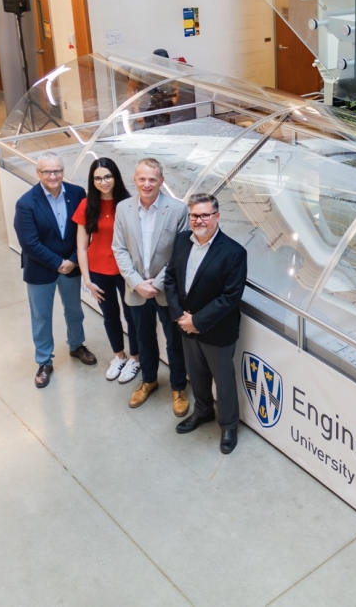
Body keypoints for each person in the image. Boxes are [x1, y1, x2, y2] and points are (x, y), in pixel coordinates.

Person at [165, 193, 247, 455]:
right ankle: (202, 412)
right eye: (194, 215)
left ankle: (229, 425)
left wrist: (197, 321)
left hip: (217, 330)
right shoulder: (181, 241)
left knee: (223, 381)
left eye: (205, 215)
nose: (199, 220)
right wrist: (181, 317)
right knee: (196, 375)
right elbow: (170, 279)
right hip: (185, 326)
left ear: (217, 216)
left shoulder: (234, 252)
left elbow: (230, 296)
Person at [111, 157, 190, 414]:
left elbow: (180, 254)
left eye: (152, 179)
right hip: (136, 291)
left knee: (174, 341)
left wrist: (155, 284)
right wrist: (136, 283)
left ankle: (178, 387)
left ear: (161, 181)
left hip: (166, 290)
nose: (147, 184)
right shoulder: (123, 208)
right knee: (143, 339)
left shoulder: (178, 210)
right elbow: (119, 249)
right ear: (134, 180)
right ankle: (149, 380)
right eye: (142, 179)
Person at [14, 152, 98, 388]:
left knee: (74, 310)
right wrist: (58, 262)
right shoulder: (26, 203)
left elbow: (84, 230)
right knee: (41, 317)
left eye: (57, 171)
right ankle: (44, 361)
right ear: (38, 173)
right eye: (47, 172)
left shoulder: (77, 194)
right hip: (41, 270)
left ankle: (77, 345)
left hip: (71, 266)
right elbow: (29, 243)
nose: (53, 176)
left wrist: (72, 259)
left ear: (63, 171)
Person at [73, 158, 141, 384]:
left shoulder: (129, 203)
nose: (103, 182)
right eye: (98, 178)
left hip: (125, 270)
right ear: (92, 181)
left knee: (132, 316)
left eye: (108, 176)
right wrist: (87, 279)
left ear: (116, 177)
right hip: (98, 270)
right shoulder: (86, 205)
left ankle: (135, 358)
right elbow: (82, 246)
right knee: (110, 316)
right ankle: (118, 356)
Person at [127, 49, 179, 128]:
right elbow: (131, 90)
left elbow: (175, 89)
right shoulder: (140, 67)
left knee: (165, 128)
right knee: (146, 129)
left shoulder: (171, 67)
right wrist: (137, 113)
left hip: (163, 101)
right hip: (145, 102)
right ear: (153, 61)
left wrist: (171, 106)